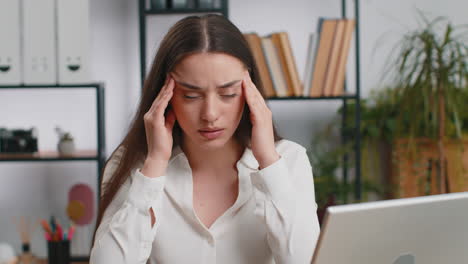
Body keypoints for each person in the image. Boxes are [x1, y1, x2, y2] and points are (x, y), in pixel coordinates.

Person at [90, 14, 320, 264]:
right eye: (191, 96)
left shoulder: (289, 160)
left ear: (250, 91)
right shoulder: (133, 163)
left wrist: (268, 162)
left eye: (228, 94)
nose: (210, 114)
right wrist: (155, 164)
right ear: (164, 96)